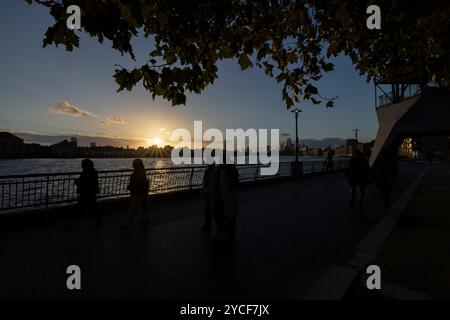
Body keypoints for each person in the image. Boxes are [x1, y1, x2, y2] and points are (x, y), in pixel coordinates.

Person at [121, 159, 149, 230]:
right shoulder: (142, 172)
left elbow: (136, 184)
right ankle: (144, 219)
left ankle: (128, 224)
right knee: (141, 208)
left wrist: (130, 187)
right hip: (141, 193)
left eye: (133, 163)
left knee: (132, 209)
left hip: (137, 193)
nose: (132, 164)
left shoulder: (136, 173)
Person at [73, 159, 101, 225]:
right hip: (90, 192)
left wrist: (77, 182)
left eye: (82, 164)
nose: (81, 166)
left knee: (79, 207)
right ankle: (98, 220)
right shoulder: (93, 172)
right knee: (93, 206)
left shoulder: (87, 172)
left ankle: (71, 221)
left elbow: (85, 182)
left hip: (86, 192)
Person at [201, 163, 215, 233]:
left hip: (210, 193)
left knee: (209, 210)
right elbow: (204, 181)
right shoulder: (208, 170)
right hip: (208, 192)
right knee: (207, 211)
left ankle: (208, 226)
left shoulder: (211, 171)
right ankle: (207, 225)